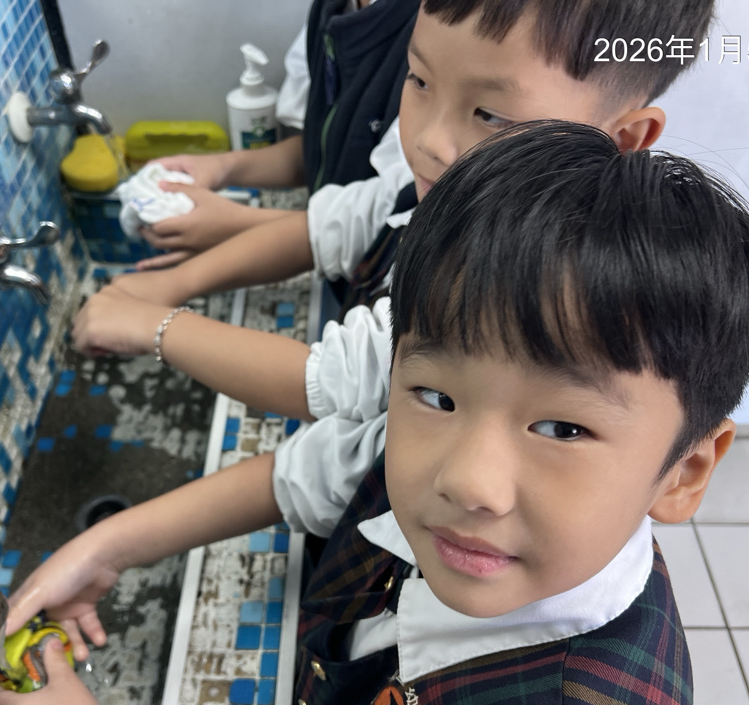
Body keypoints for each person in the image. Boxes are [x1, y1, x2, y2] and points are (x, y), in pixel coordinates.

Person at [0, 120, 749, 705]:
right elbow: (304, 477)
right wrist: (106, 548)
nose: (468, 479)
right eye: (435, 394)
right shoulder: (453, 473)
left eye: (563, 428)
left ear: (683, 473)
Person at [69, 0, 716, 428]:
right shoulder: (444, 180)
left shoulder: (523, 285)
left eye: (491, 115)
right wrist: (170, 285)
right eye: (419, 80)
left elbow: (332, 381)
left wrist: (154, 324)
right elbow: (331, 225)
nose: (428, 141)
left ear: (622, 138)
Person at [136, 0, 419, 262]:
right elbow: (319, 152)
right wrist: (224, 167)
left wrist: (237, 225)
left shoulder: (426, 36)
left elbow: (389, 227)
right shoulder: (332, 12)